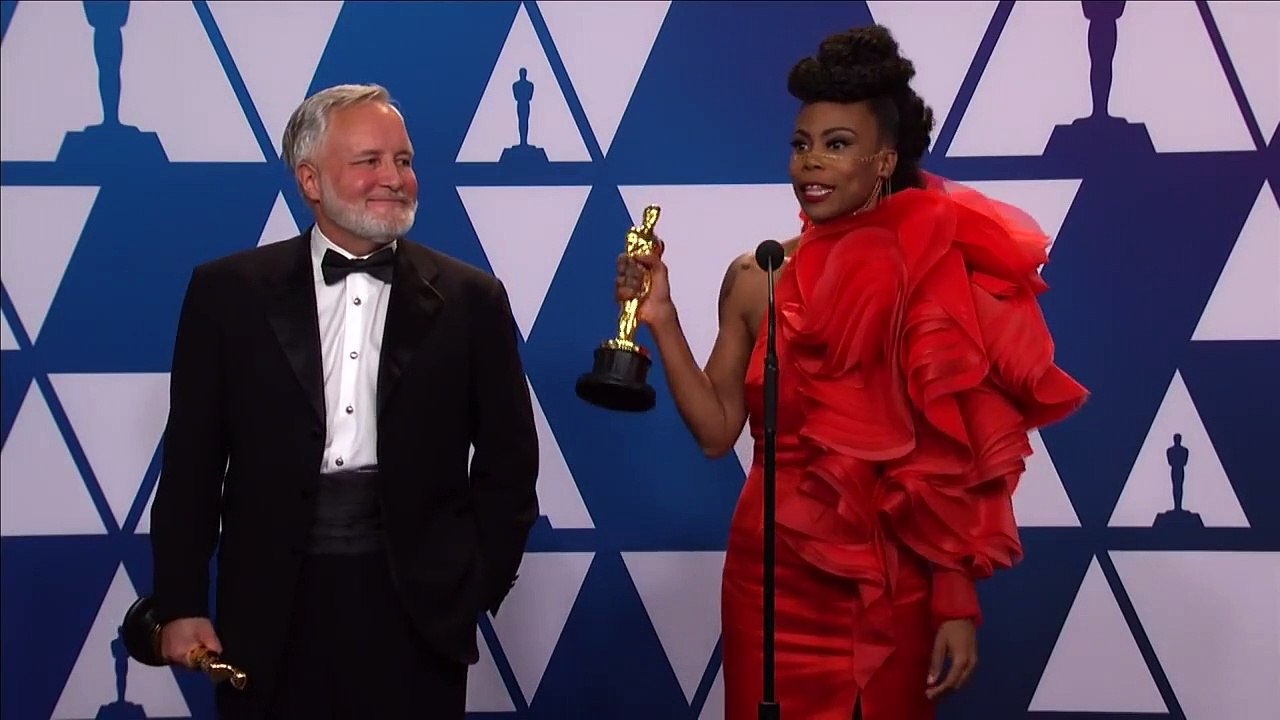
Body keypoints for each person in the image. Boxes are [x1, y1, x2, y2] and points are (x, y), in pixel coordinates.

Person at [616, 25, 1089, 720]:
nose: (811, 163)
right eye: (801, 144)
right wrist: (661, 318)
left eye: (837, 145)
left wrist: (955, 600)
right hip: (768, 581)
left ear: (884, 160)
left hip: (890, 580)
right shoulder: (757, 276)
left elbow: (949, 464)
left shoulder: (929, 279)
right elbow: (718, 431)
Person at [148, 83, 540, 719]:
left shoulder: (474, 300)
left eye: (404, 161)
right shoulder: (226, 294)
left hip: (418, 613)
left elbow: (510, 463)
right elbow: (192, 464)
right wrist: (181, 602)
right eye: (370, 162)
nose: (394, 179)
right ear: (310, 179)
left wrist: (471, 584)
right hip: (268, 612)